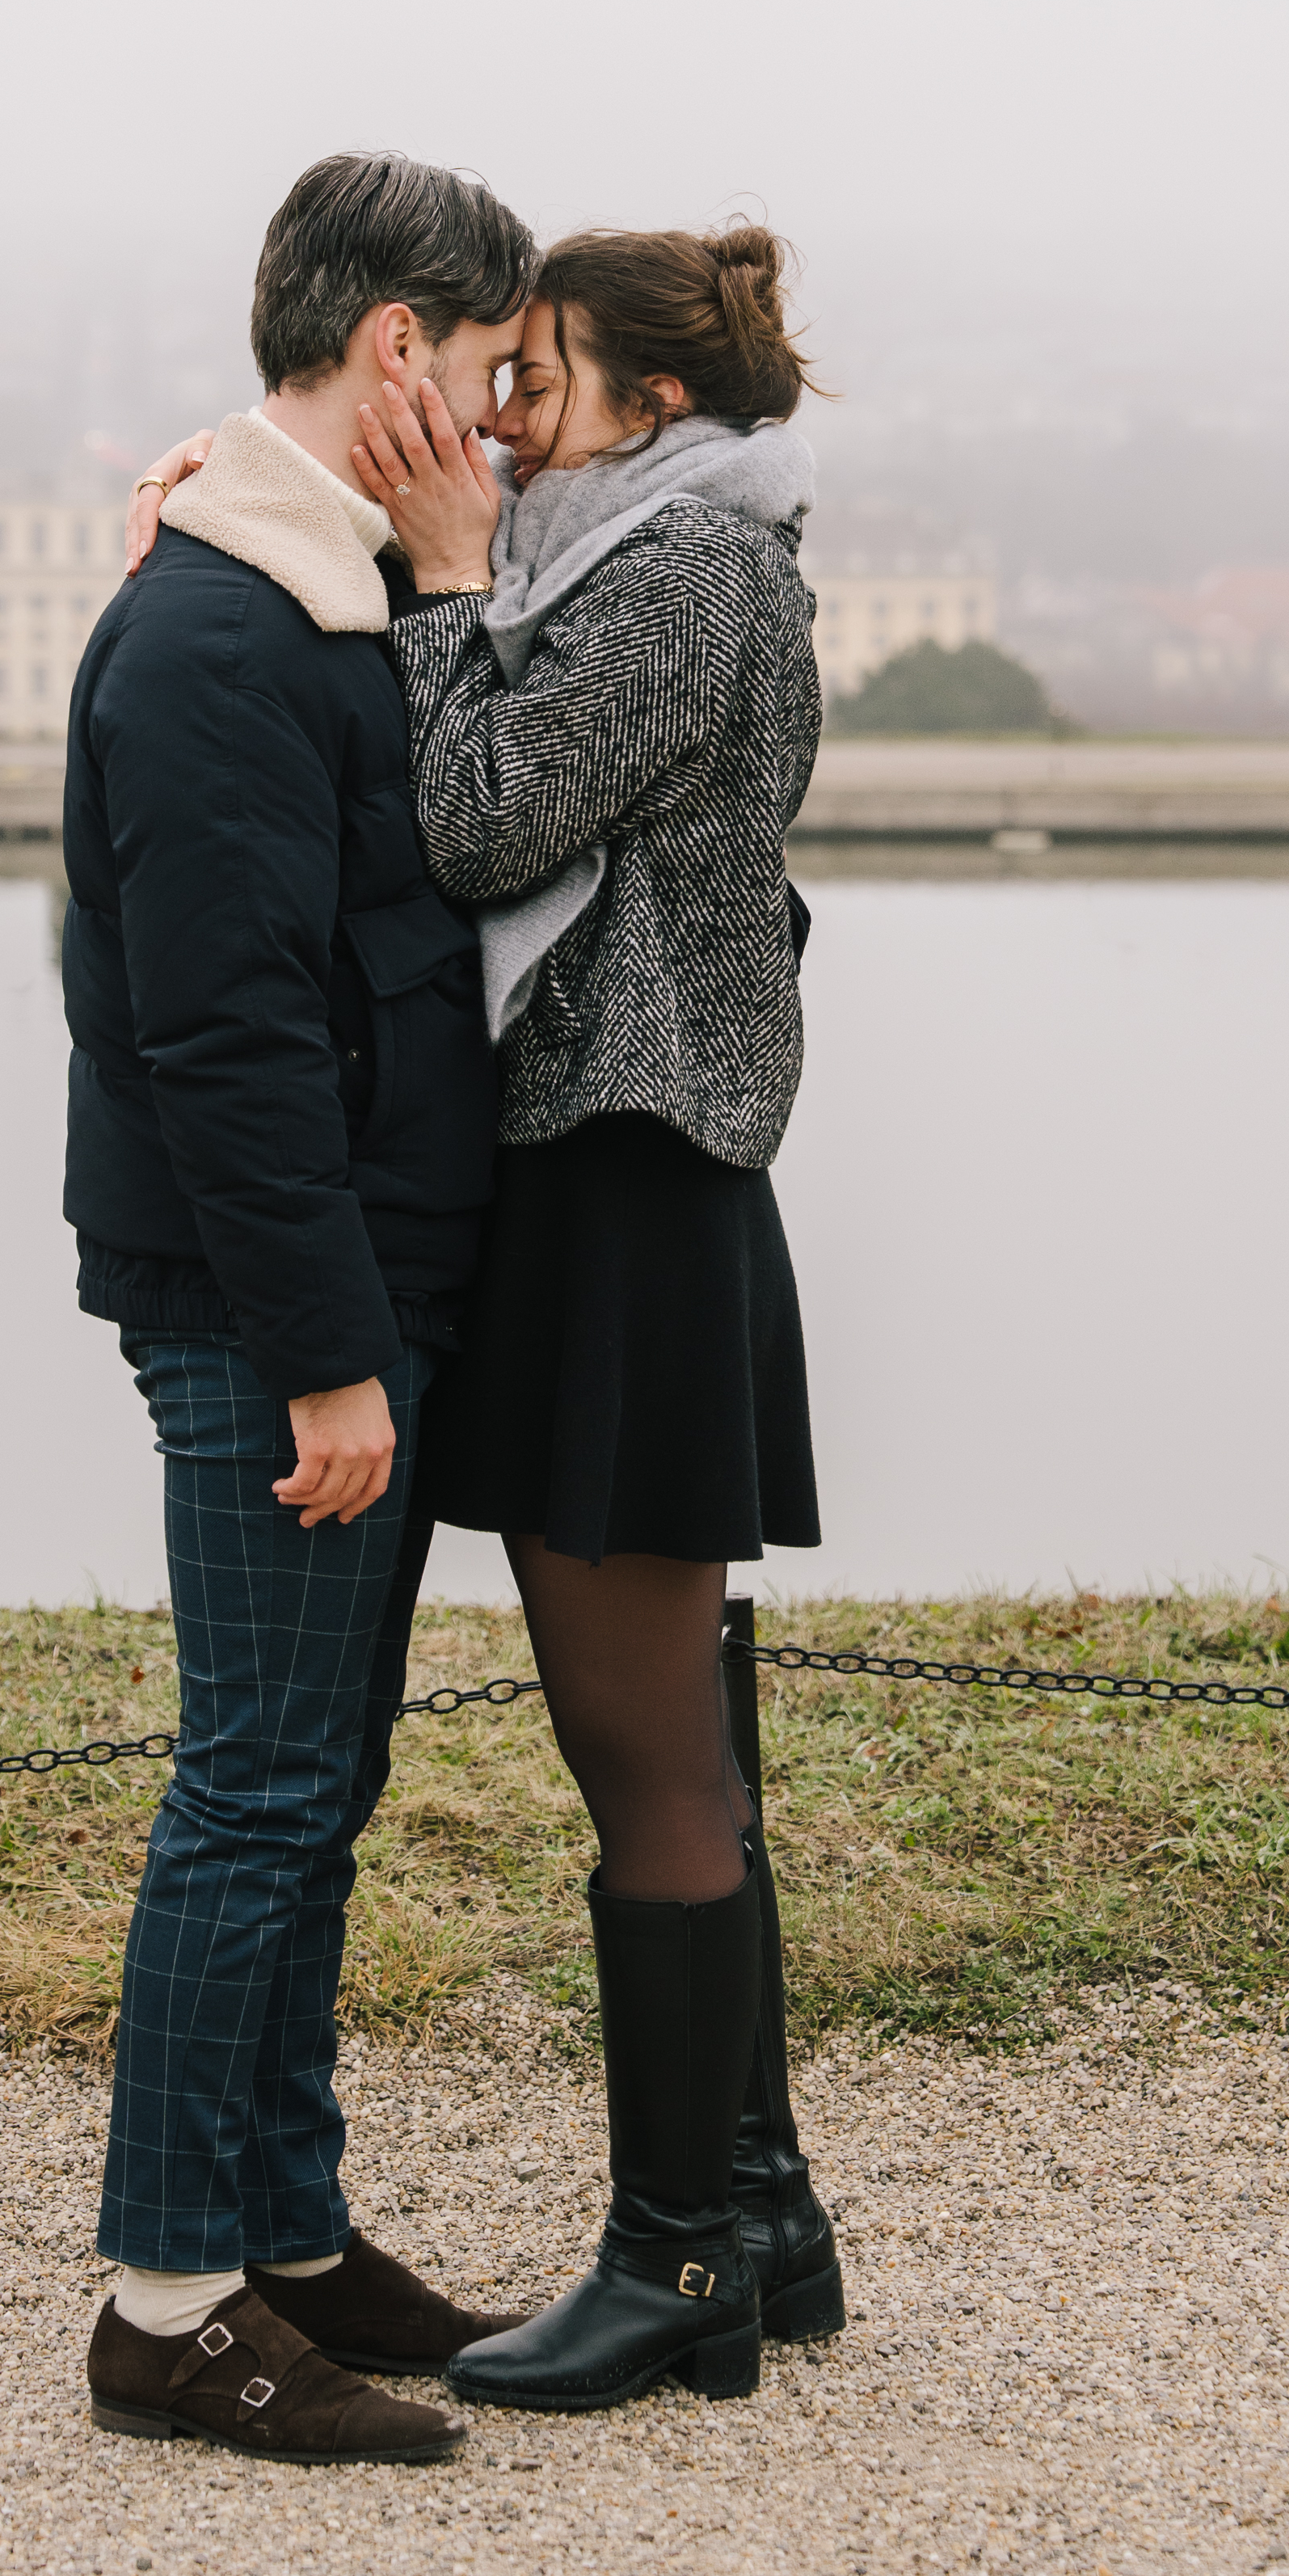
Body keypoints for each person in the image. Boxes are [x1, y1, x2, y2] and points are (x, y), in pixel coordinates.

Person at [130, 219, 846, 2421]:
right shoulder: (621, 552)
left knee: (644, 1748)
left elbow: (483, 813)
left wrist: (443, 579)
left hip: (633, 1193)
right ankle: (759, 2219)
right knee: (660, 1732)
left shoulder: (688, 572)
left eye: (539, 382)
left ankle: (683, 2256)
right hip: (613, 1198)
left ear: (651, 401)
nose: (502, 426)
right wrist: (241, 490)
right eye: (489, 374)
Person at [63, 151, 538, 2467]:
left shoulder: (315, 587)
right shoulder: (218, 637)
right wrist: (331, 1358)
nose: (506, 419)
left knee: (314, 1786)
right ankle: (169, 2306)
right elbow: (229, 1033)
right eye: (489, 371)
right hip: (278, 1312)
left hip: (350, 1280)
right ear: (393, 348)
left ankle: (288, 2230)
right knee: (254, 1790)